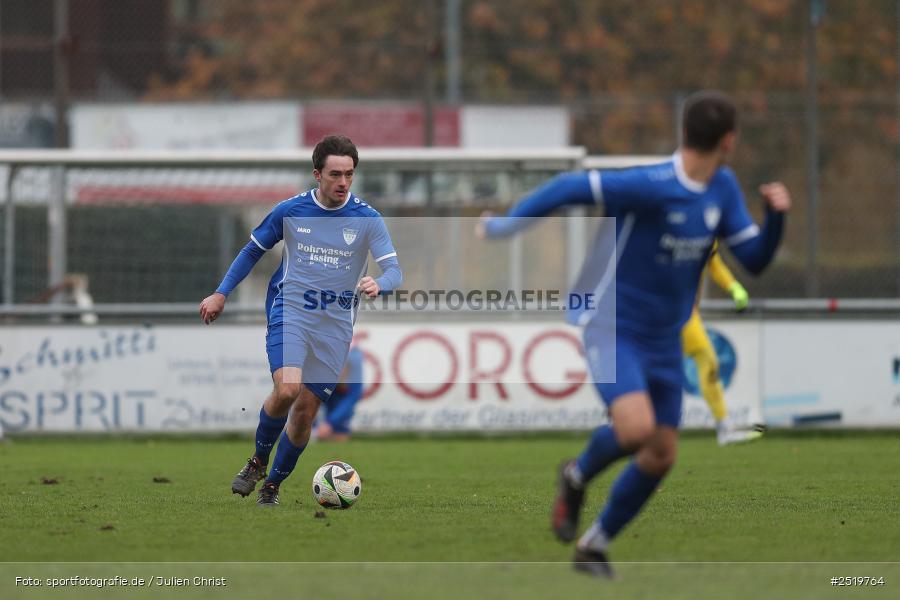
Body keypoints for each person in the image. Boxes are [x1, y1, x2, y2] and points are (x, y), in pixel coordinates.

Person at [477, 91, 790, 577]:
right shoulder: (651, 184)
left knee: (661, 453)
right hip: (610, 326)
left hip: (665, 338)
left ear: (684, 131)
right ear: (729, 140)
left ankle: (592, 547)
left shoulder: (722, 188)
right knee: (636, 428)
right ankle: (576, 477)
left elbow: (754, 260)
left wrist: (776, 221)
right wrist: (503, 227)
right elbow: (568, 187)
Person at [199, 135, 402, 507]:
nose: (343, 182)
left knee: (305, 412)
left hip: (336, 326)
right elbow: (252, 250)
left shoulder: (367, 219)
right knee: (288, 390)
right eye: (335, 174)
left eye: (350, 175)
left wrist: (381, 283)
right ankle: (258, 459)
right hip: (290, 312)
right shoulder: (290, 211)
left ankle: (272, 487)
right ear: (317, 174)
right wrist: (221, 292)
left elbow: (394, 270)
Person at [684, 241, 763, 445]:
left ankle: (724, 428)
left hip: (681, 310)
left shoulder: (705, 228)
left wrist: (733, 287)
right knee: (703, 358)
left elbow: (713, 262)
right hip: (660, 308)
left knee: (705, 359)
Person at [315, 345, 364, 442]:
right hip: (329, 388)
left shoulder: (355, 374)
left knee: (340, 433)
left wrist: (329, 423)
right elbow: (315, 396)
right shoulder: (323, 374)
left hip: (342, 391)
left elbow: (349, 401)